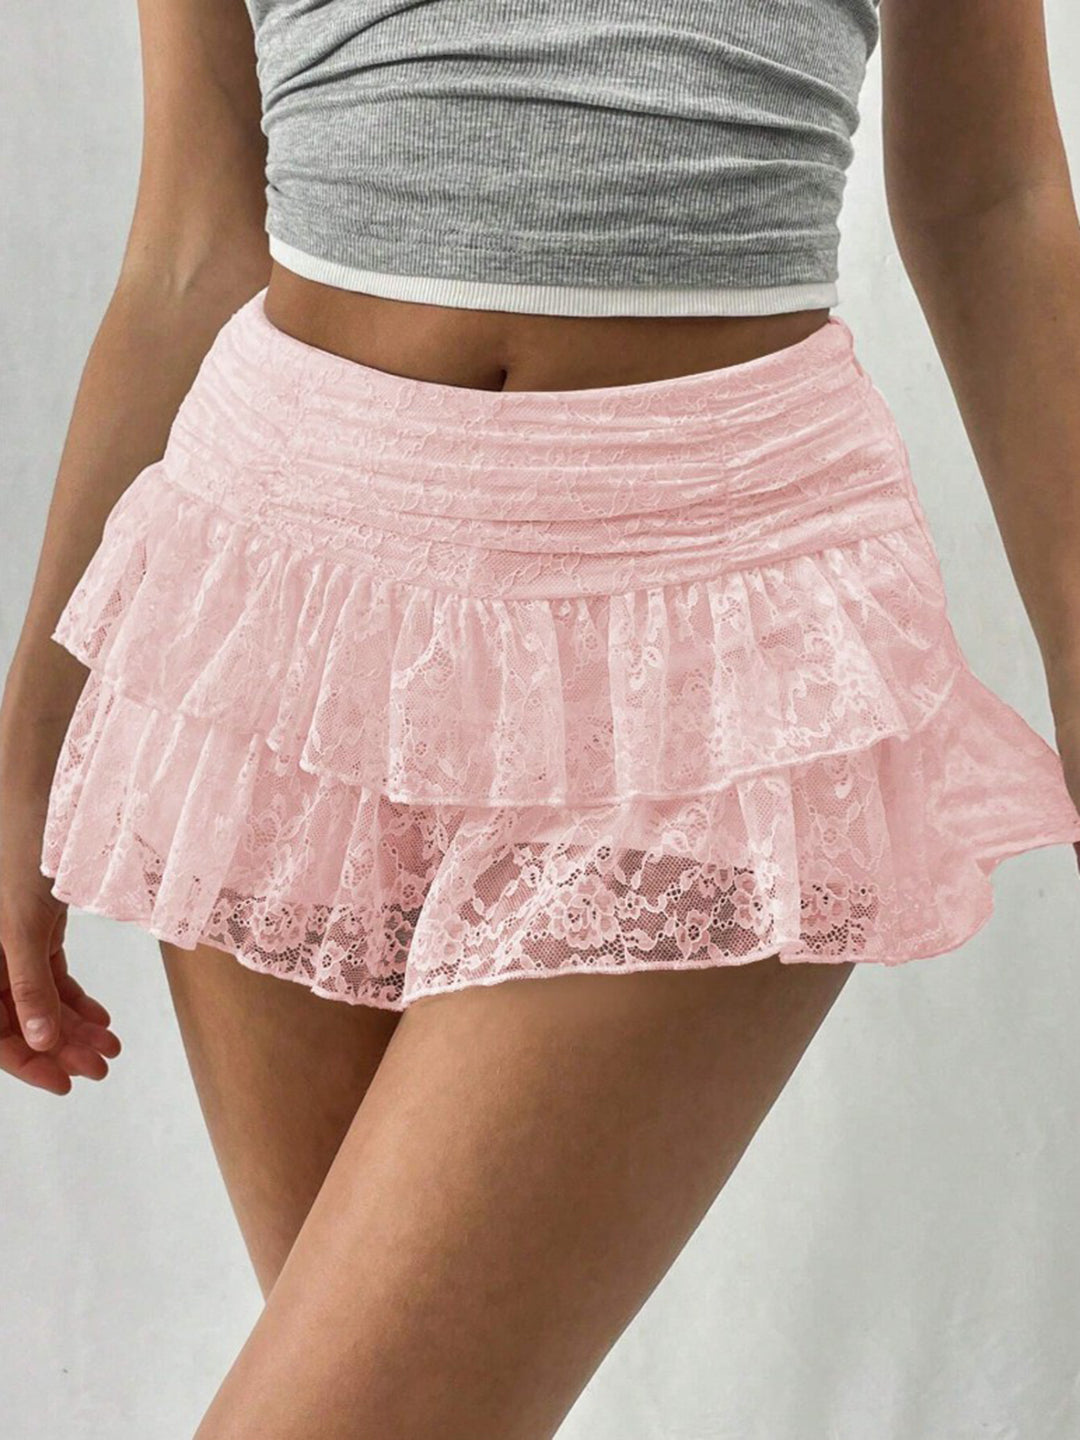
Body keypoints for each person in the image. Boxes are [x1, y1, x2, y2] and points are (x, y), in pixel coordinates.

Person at [4, 1, 1080, 1436]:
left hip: (715, 615)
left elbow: (992, 196)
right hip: (276, 598)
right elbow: (193, 237)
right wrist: (27, 760)